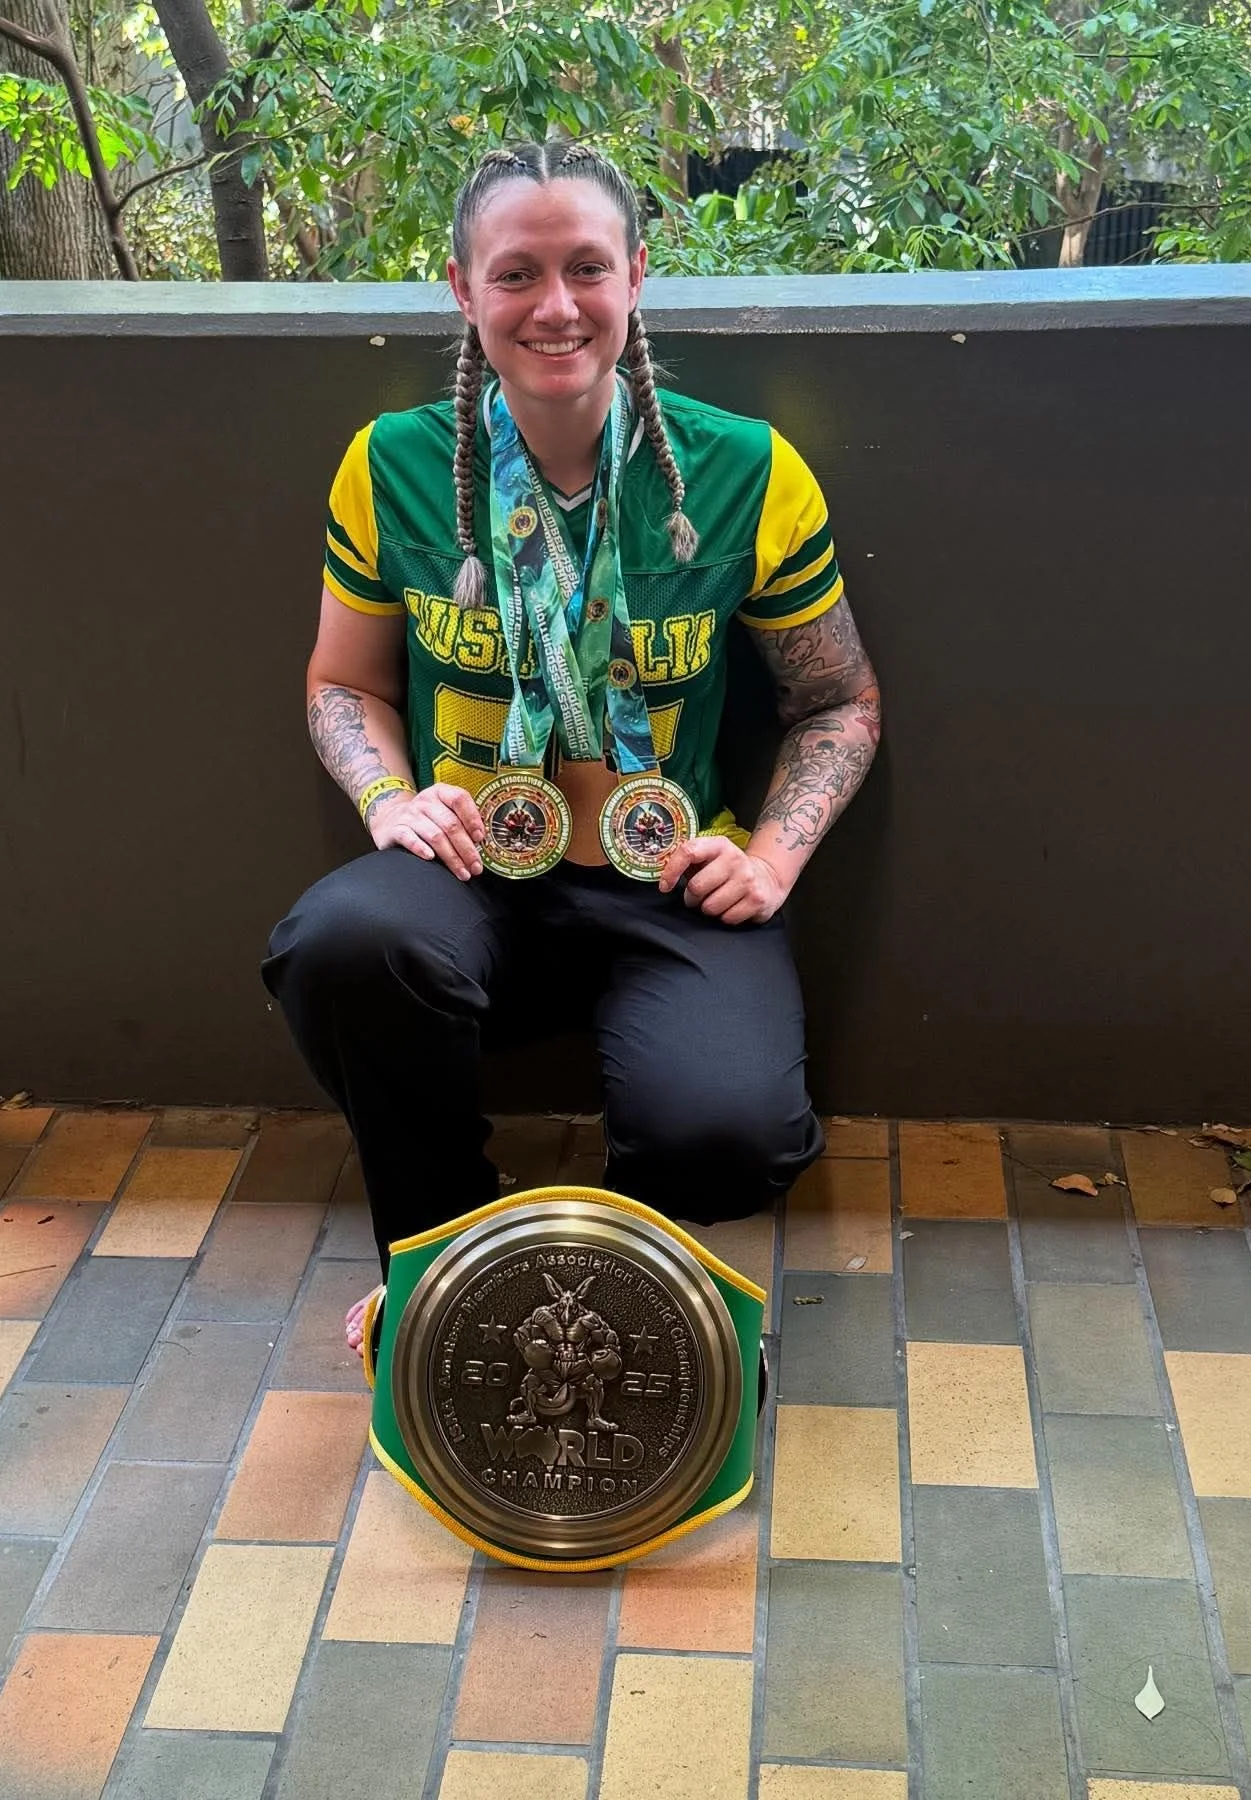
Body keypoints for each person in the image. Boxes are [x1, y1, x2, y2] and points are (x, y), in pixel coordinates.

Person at [262, 140, 882, 1351]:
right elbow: (343, 684)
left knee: (732, 1139)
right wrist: (388, 798)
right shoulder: (390, 468)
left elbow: (840, 702)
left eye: (587, 267)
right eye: (517, 274)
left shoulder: (746, 472)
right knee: (343, 941)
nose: (556, 306)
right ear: (462, 291)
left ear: (637, 277)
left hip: (668, 885)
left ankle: (601, 1273)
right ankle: (444, 1253)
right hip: (470, 880)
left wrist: (773, 858)